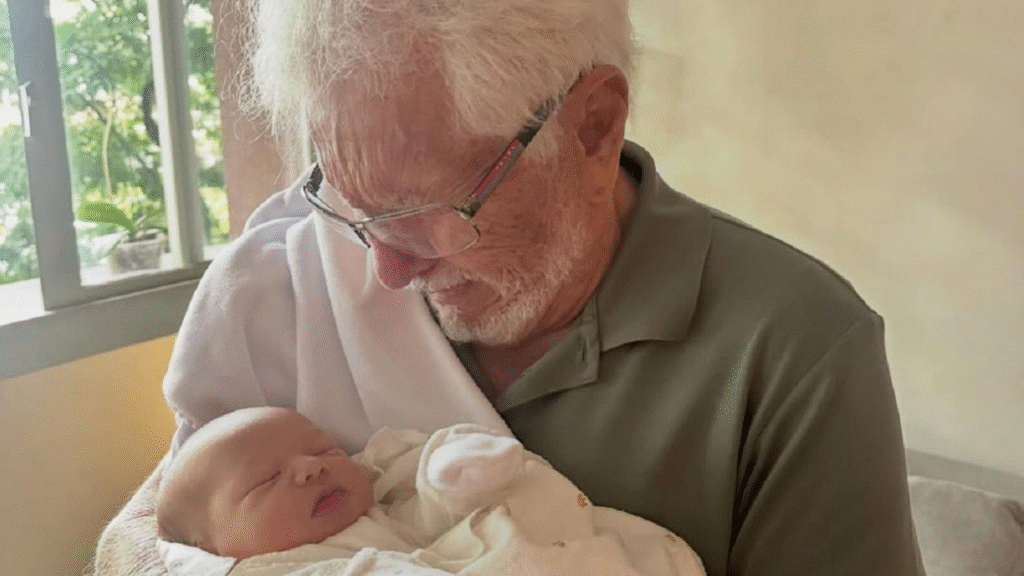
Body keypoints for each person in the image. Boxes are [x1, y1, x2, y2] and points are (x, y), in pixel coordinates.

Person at [93, 1, 926, 575]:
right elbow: (143, 536)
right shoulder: (280, 289)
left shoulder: (799, 350)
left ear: (594, 126)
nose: (385, 269)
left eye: (428, 211)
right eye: (353, 203)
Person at [155, 407, 705, 576]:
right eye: (264, 480)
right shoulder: (274, 570)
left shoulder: (380, 504)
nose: (309, 469)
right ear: (212, 550)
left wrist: (451, 473)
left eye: (322, 449)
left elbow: (420, 499)